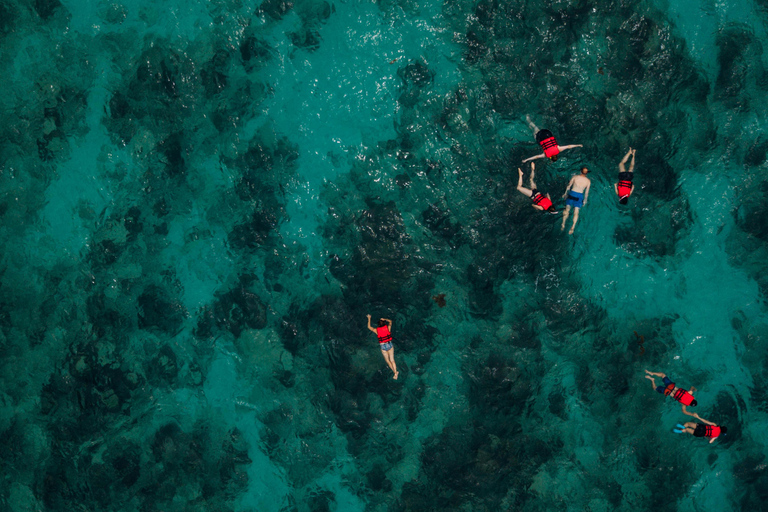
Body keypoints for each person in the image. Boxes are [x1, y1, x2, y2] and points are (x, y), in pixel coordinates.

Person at [561, 167, 591, 234]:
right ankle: (573, 226)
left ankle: (563, 224)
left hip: (572, 193)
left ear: (580, 171)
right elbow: (586, 193)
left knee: (567, 209)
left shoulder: (575, 177)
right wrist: (585, 200)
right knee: (576, 212)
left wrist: (565, 194)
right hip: (579, 195)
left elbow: (569, 186)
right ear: (586, 173)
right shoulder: (588, 181)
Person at [367, 314, 398, 379]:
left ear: (378, 325)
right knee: (392, 360)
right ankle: (395, 372)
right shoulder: (388, 328)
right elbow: (390, 321)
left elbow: (369, 327)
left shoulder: (377, 330)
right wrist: (385, 319)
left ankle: (395, 373)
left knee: (388, 361)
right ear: (384, 323)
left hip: (383, 346)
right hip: (389, 344)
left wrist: (369, 318)